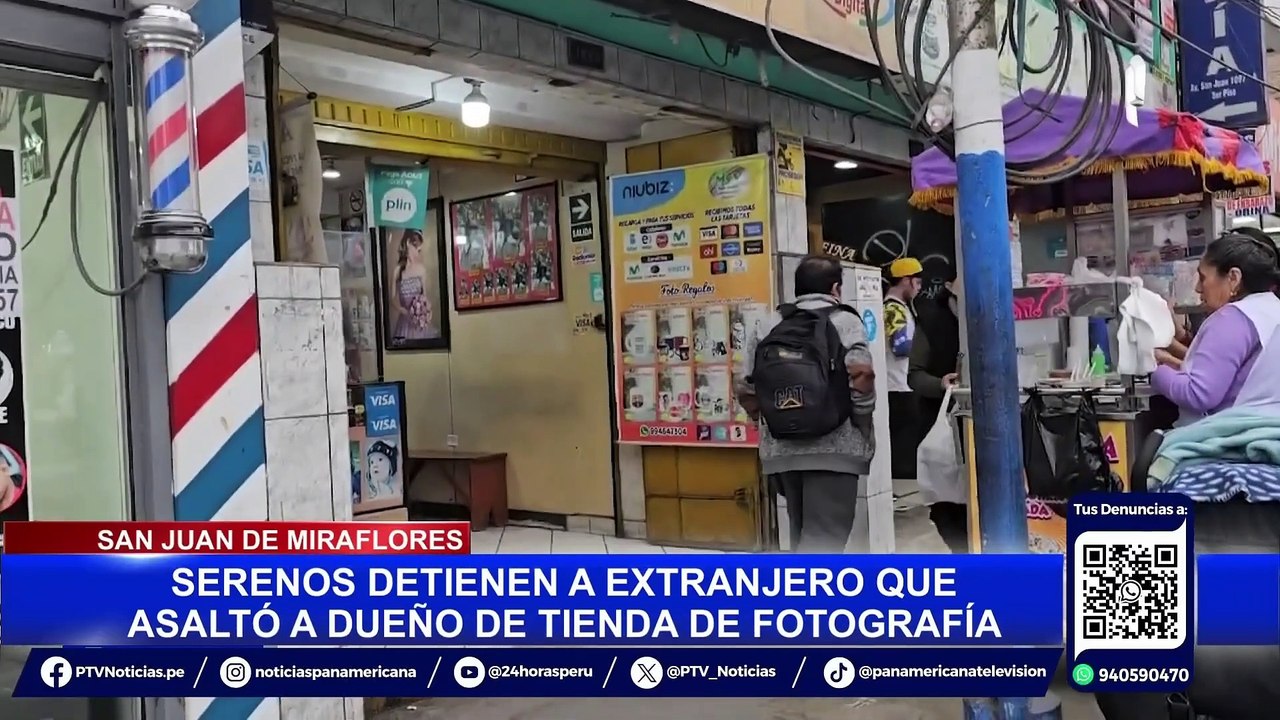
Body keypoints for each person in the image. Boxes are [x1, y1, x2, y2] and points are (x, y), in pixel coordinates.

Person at [736, 255, 877, 552]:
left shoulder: (769, 323)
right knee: (824, 539)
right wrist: (862, 427)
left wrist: (771, 421)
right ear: (836, 288)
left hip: (781, 449)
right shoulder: (846, 322)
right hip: (835, 448)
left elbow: (745, 385)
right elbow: (861, 378)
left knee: (802, 535)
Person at [1151, 230, 1280, 424]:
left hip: (1227, 440)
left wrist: (1152, 369)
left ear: (1233, 278)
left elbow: (1198, 394)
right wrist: (1175, 364)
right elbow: (1237, 379)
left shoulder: (1233, 318)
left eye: (1203, 278)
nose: (1198, 288)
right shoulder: (1270, 309)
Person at [907, 273, 966, 553]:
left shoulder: (992, 319)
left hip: (983, 428)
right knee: (947, 504)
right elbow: (914, 376)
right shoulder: (931, 323)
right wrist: (940, 384)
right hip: (939, 424)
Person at [884, 257, 923, 480]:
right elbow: (900, 347)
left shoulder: (897, 308)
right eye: (917, 282)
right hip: (897, 386)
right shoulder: (893, 310)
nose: (918, 288)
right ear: (906, 281)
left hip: (899, 384)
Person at [391, 229, 438, 344]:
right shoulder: (398, 271)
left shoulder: (421, 270)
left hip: (418, 323)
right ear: (408, 243)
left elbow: (424, 297)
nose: (417, 253)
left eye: (419, 250)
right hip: (404, 321)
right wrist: (402, 310)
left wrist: (426, 312)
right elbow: (392, 298)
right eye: (416, 248)